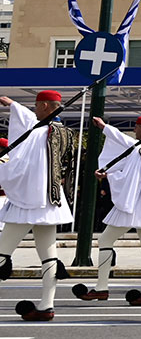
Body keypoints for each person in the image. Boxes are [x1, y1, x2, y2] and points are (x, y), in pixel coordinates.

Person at [73, 115, 141, 306]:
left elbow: (129, 178)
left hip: (133, 203)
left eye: (136, 127)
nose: (134, 130)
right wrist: (104, 127)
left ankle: (101, 288)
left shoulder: (139, 150)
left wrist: (108, 175)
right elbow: (126, 143)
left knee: (105, 240)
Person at [0, 91, 79, 322]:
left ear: (45, 105)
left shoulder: (39, 132)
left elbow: (21, 151)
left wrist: (12, 103)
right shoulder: (65, 133)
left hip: (28, 200)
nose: (34, 109)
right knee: (49, 257)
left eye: (36, 105)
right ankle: (46, 306)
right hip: (51, 201)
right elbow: (32, 124)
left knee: (2, 252)